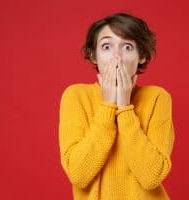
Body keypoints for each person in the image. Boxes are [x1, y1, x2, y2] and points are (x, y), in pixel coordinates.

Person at [58, 12, 175, 200]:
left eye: (127, 46)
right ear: (93, 55)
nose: (116, 57)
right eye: (106, 46)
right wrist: (108, 106)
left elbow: (151, 177)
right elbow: (79, 175)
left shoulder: (157, 98)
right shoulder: (75, 96)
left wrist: (125, 107)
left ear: (142, 56)